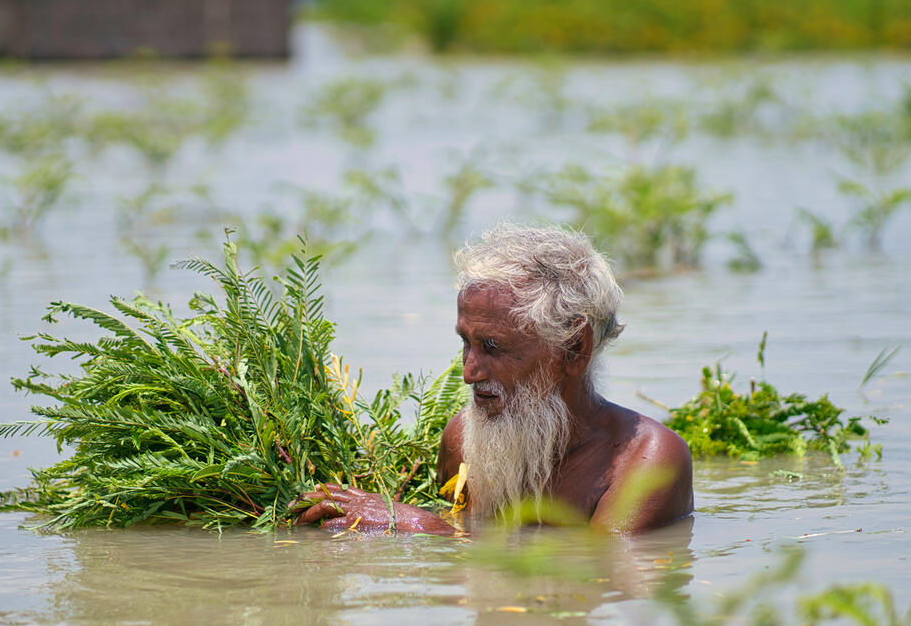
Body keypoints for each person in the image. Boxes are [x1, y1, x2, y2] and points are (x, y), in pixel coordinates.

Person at [291, 224, 693, 535]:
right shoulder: (461, 441)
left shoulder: (647, 461)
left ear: (574, 349)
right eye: (466, 343)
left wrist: (421, 525)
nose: (469, 372)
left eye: (493, 348)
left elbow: (598, 572)